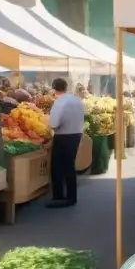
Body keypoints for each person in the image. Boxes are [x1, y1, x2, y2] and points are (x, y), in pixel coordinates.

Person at [47, 77, 84, 208]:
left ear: (54, 89)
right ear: (66, 87)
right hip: (76, 134)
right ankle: (71, 196)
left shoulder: (59, 102)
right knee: (69, 166)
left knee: (57, 166)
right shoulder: (76, 99)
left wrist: (52, 128)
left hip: (63, 136)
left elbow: (54, 123)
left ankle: (60, 196)